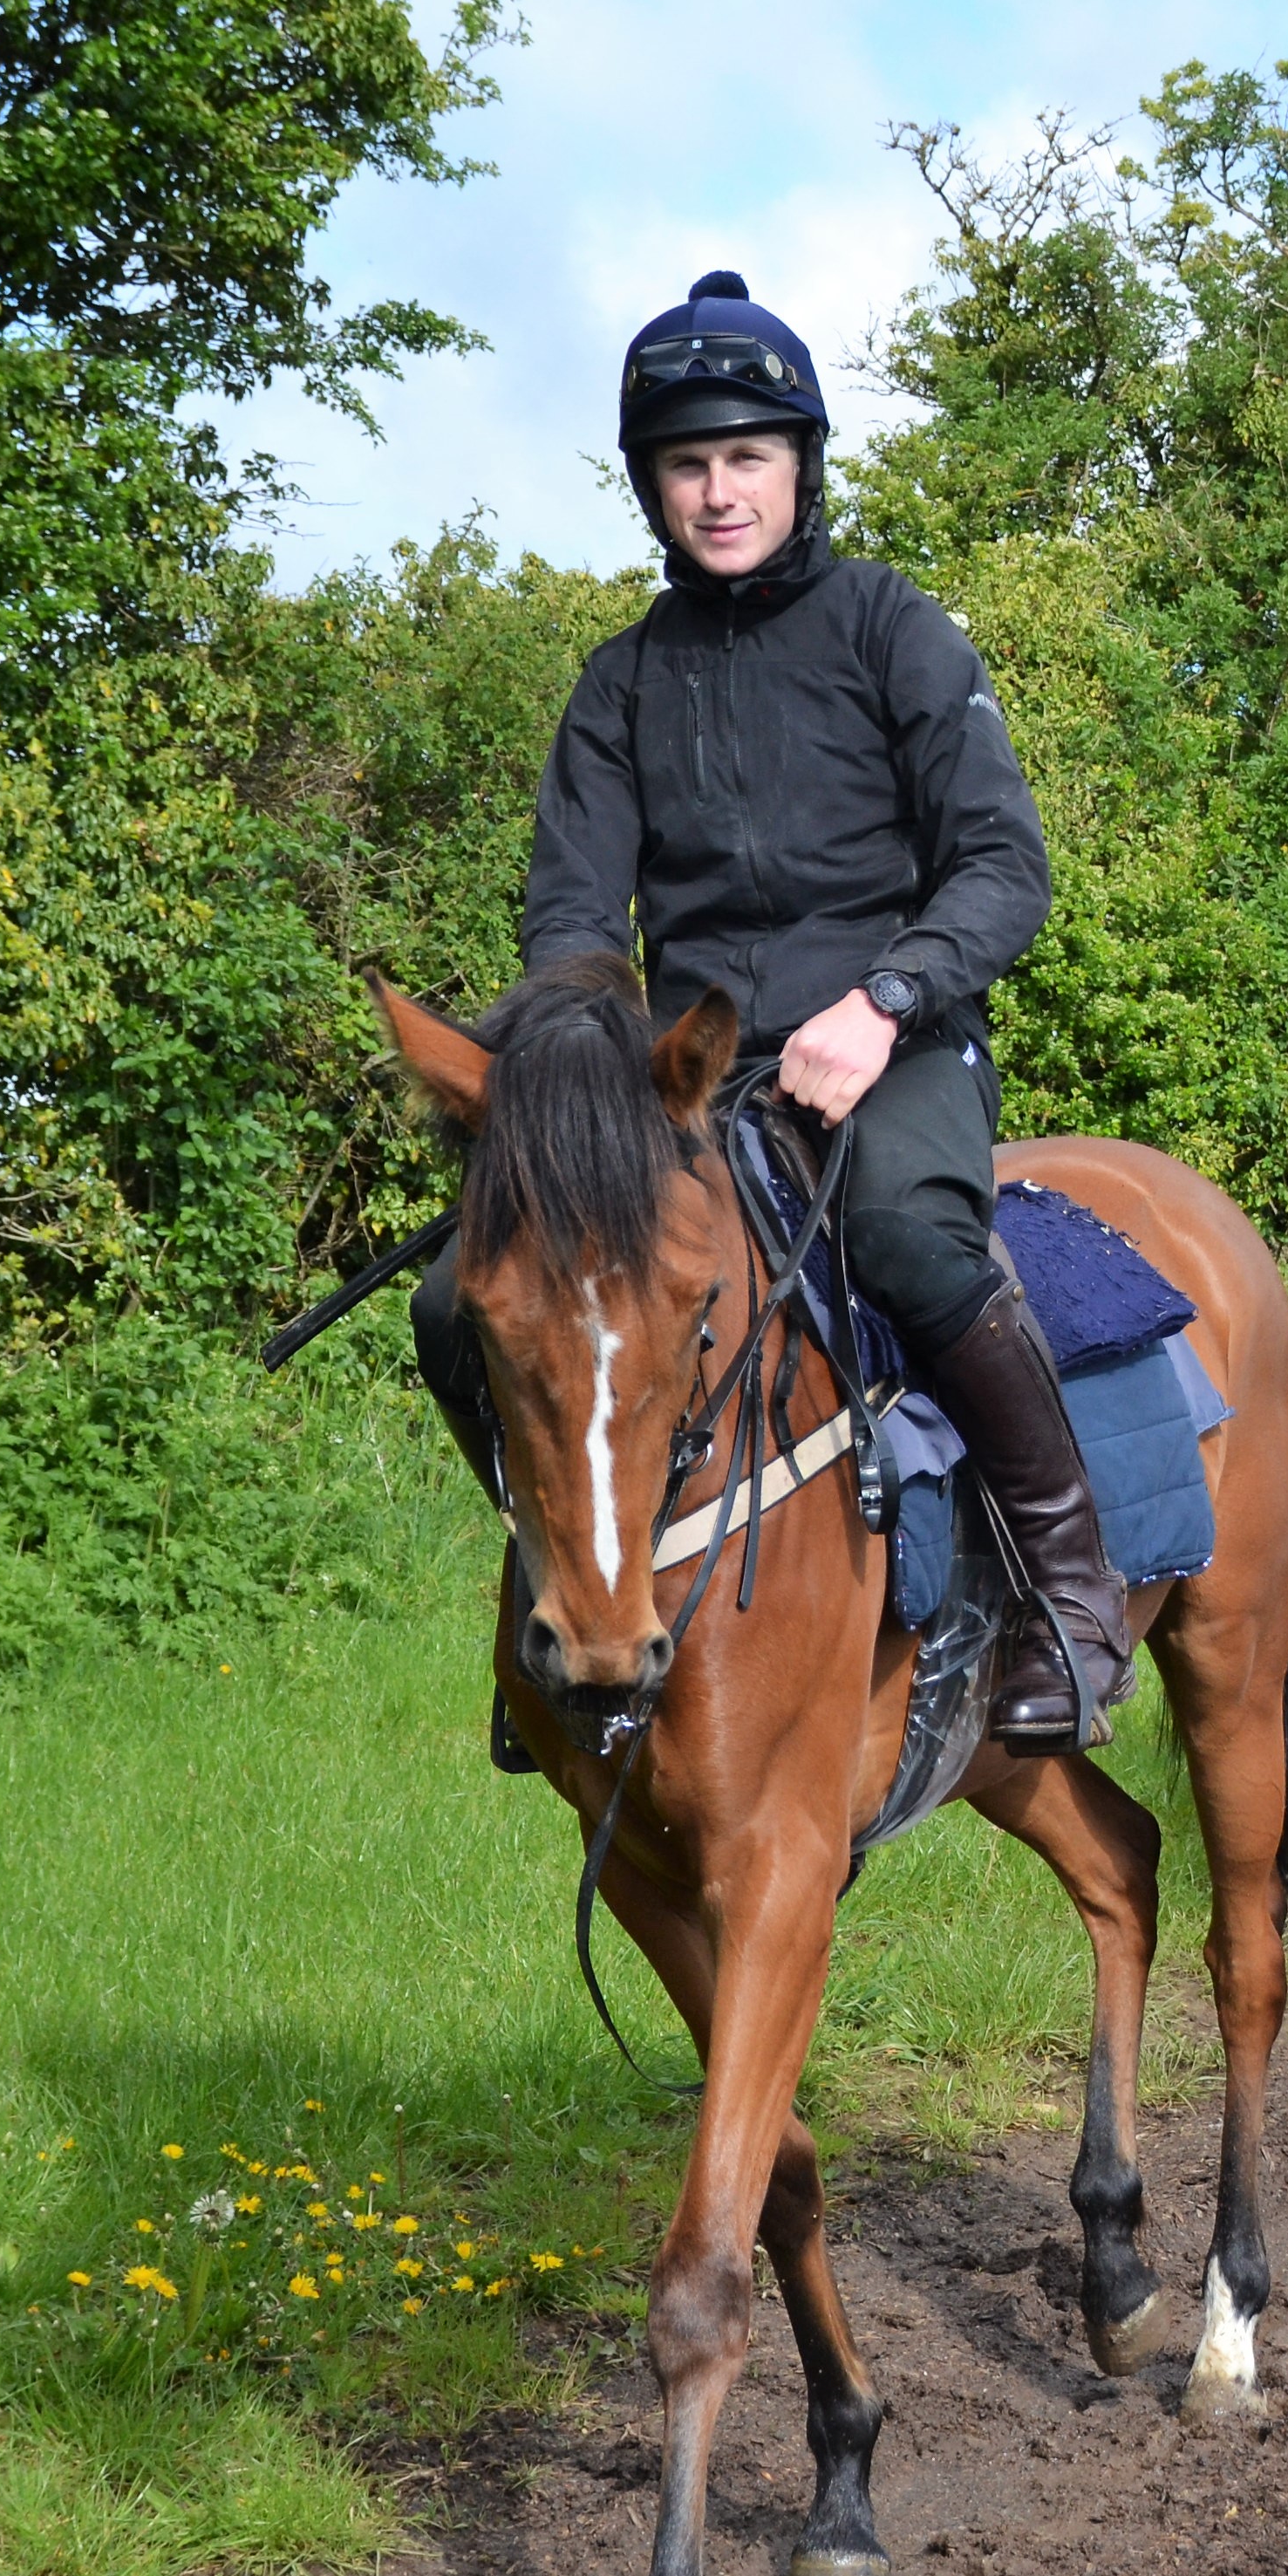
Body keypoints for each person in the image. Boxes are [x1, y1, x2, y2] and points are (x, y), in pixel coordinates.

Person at [412, 270, 1132, 1751]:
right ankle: (563, 1597)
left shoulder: (894, 630)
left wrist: (883, 998)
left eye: (746, 456)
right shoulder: (618, 684)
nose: (718, 490)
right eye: (686, 463)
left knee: (908, 1242)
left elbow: (1003, 867)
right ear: (650, 488)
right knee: (453, 1301)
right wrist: (568, 1074)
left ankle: (1070, 1593)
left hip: (898, 1053)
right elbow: (568, 920)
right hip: (687, 1082)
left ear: (800, 466)